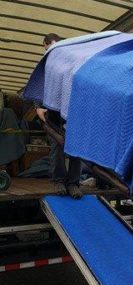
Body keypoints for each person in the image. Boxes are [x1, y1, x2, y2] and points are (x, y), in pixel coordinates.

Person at [35, 33, 82, 199]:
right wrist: (38, 107)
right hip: (54, 114)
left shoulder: (74, 62)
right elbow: (40, 86)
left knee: (76, 149)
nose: (47, 51)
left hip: (73, 114)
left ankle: (73, 184)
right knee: (57, 148)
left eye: (47, 47)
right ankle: (59, 181)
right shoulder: (47, 65)